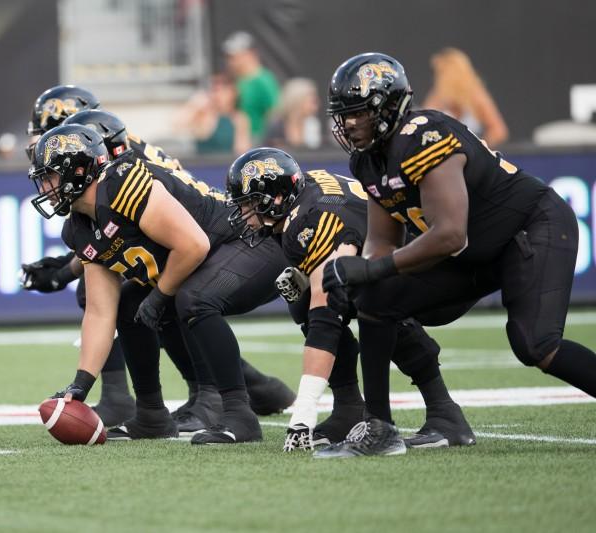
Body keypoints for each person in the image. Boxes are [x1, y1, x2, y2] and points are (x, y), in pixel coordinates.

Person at [319, 52, 596, 457]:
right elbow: (383, 240)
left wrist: (372, 267)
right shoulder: (367, 160)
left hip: (529, 228)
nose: (348, 123)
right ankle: (379, 428)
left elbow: (449, 234)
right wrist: (359, 274)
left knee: (535, 344)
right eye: (344, 114)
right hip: (476, 250)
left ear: (387, 106)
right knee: (374, 298)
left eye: (358, 112)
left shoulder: (424, 136)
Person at [22, 96, 294, 431]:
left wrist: (160, 294)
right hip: (202, 255)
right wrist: (81, 382)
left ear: (78, 172)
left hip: (246, 242)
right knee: (128, 305)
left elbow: (193, 245)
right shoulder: (79, 227)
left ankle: (230, 408)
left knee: (187, 297)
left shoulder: (123, 184)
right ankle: (152, 413)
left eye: (50, 177)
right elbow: (99, 311)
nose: (45, 189)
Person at [224, 147, 472, 452]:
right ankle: (348, 408)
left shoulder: (311, 216)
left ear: (275, 198)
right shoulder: (301, 197)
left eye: (249, 204)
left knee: (367, 300)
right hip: (404, 262)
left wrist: (304, 410)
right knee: (306, 296)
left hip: (440, 272)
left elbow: (325, 314)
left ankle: (444, 411)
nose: (244, 214)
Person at [422, 48, 507, 147]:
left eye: (440, 72)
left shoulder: (476, 96)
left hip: (472, 159)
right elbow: (424, 126)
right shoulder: (437, 97)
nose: (437, 77)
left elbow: (499, 131)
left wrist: (479, 148)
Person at [223, 31, 280, 143]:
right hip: (234, 140)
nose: (230, 61)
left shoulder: (263, 80)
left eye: (234, 57)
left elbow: (274, 113)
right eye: (229, 57)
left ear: (249, 54)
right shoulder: (235, 80)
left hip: (255, 141)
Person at [175, 73, 251, 155]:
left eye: (223, 90)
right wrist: (194, 105)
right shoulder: (205, 114)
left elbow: (242, 150)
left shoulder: (239, 118)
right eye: (214, 90)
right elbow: (178, 126)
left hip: (225, 164)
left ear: (233, 93)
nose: (217, 95)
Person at [264, 78, 324, 150]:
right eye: (312, 102)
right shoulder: (276, 126)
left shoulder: (313, 124)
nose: (317, 106)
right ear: (298, 101)